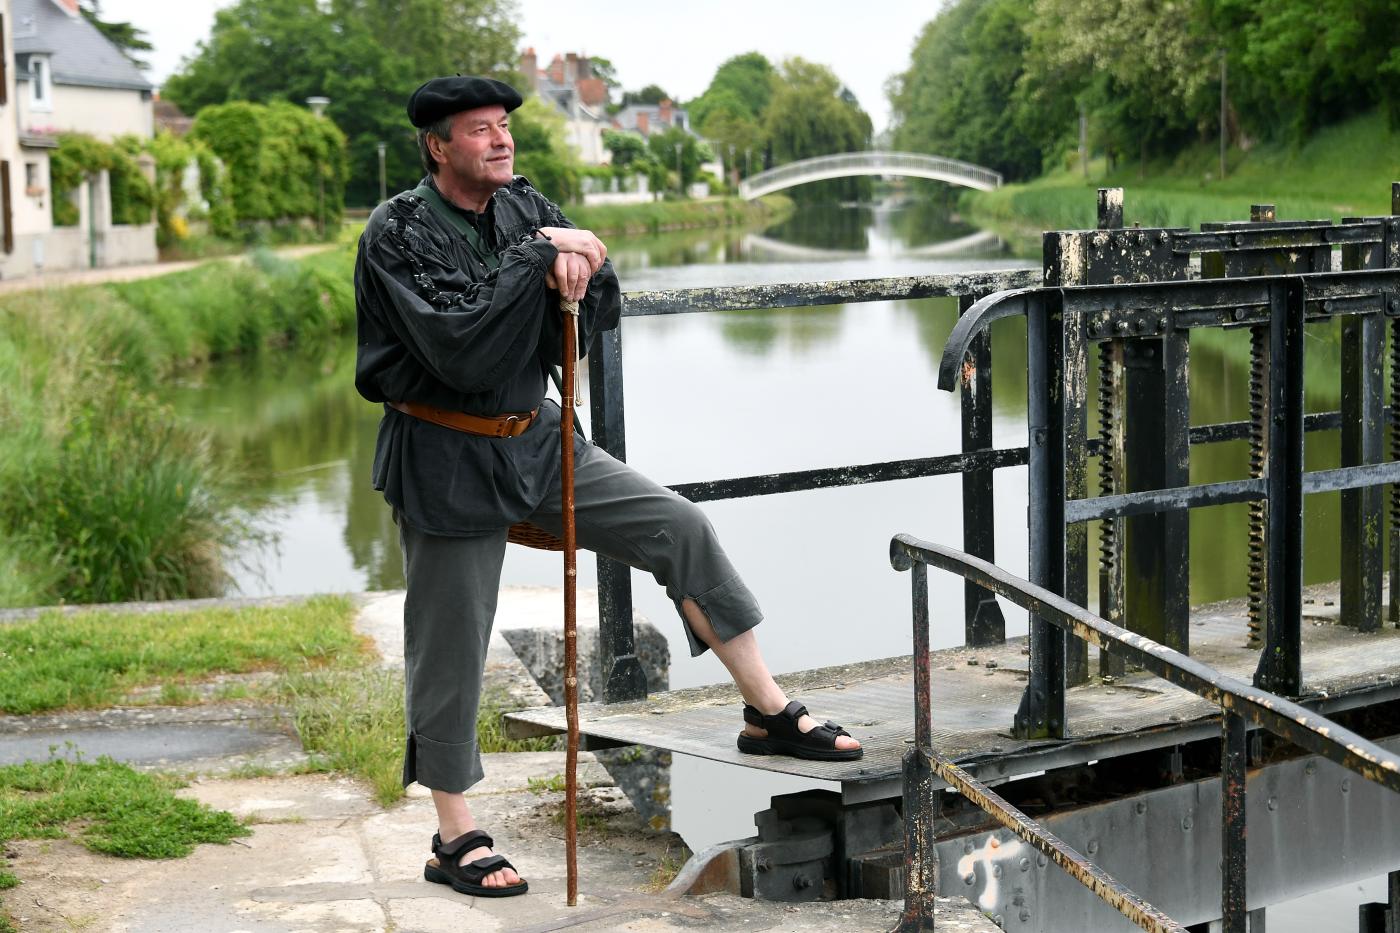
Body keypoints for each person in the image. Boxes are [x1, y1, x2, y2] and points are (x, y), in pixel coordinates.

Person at [353, 75, 862, 899]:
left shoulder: (525, 203)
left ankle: (767, 712)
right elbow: (461, 349)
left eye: (504, 125)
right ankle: (454, 835)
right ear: (437, 146)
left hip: (538, 439)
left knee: (678, 525)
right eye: (479, 130)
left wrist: (582, 267)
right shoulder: (399, 230)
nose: (500, 139)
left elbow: (597, 307)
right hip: (445, 452)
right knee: (450, 637)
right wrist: (545, 257)